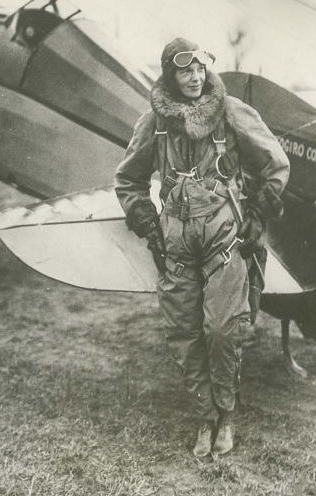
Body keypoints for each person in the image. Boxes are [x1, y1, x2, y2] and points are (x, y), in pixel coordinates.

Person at [115, 37, 290, 461]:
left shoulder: (229, 112)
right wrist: (147, 224)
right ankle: (204, 419)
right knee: (185, 333)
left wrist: (258, 215)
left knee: (222, 329)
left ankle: (227, 415)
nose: (195, 77)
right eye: (184, 71)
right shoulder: (152, 123)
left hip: (223, 234)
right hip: (175, 239)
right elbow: (128, 180)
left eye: (199, 69)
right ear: (170, 76)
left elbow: (276, 162)